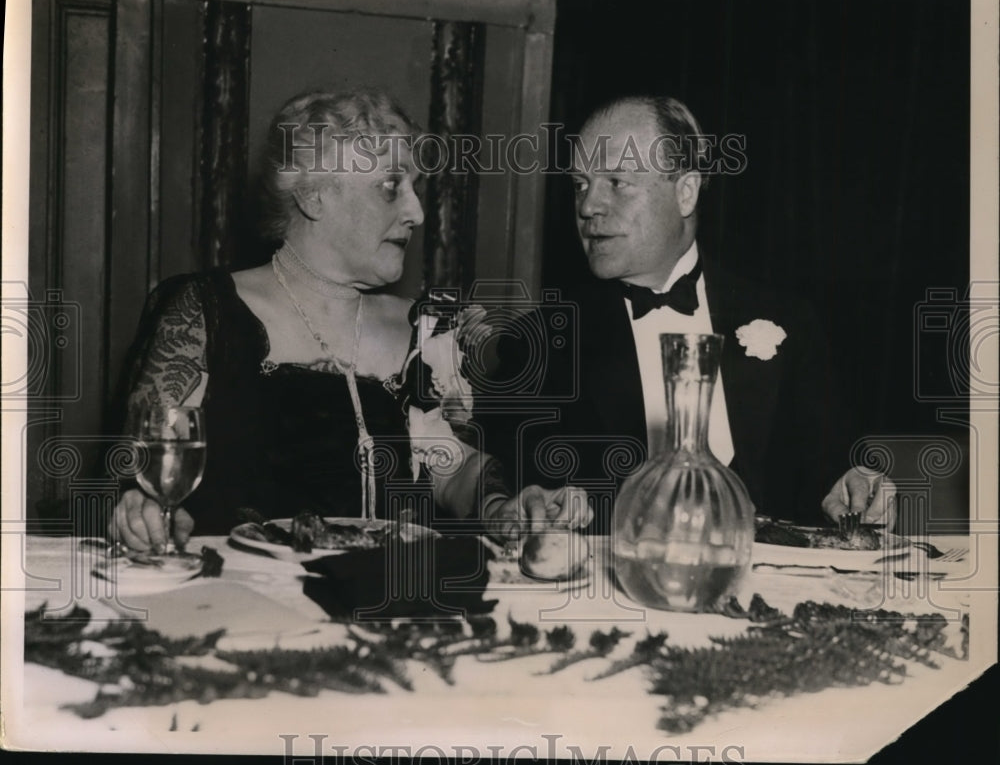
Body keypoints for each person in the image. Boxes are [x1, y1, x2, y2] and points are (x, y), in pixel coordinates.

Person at [109, 88, 591, 553]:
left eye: (415, 189)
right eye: (391, 187)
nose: (417, 213)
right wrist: (142, 512)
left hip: (388, 605)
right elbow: (141, 472)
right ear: (314, 196)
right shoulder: (203, 311)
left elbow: (453, 469)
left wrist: (505, 506)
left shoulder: (429, 326)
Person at [486, 95, 894, 533]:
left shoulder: (789, 322)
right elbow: (508, 491)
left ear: (685, 192)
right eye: (581, 184)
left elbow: (833, 471)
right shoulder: (539, 343)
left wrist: (857, 487)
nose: (588, 206)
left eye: (616, 182)